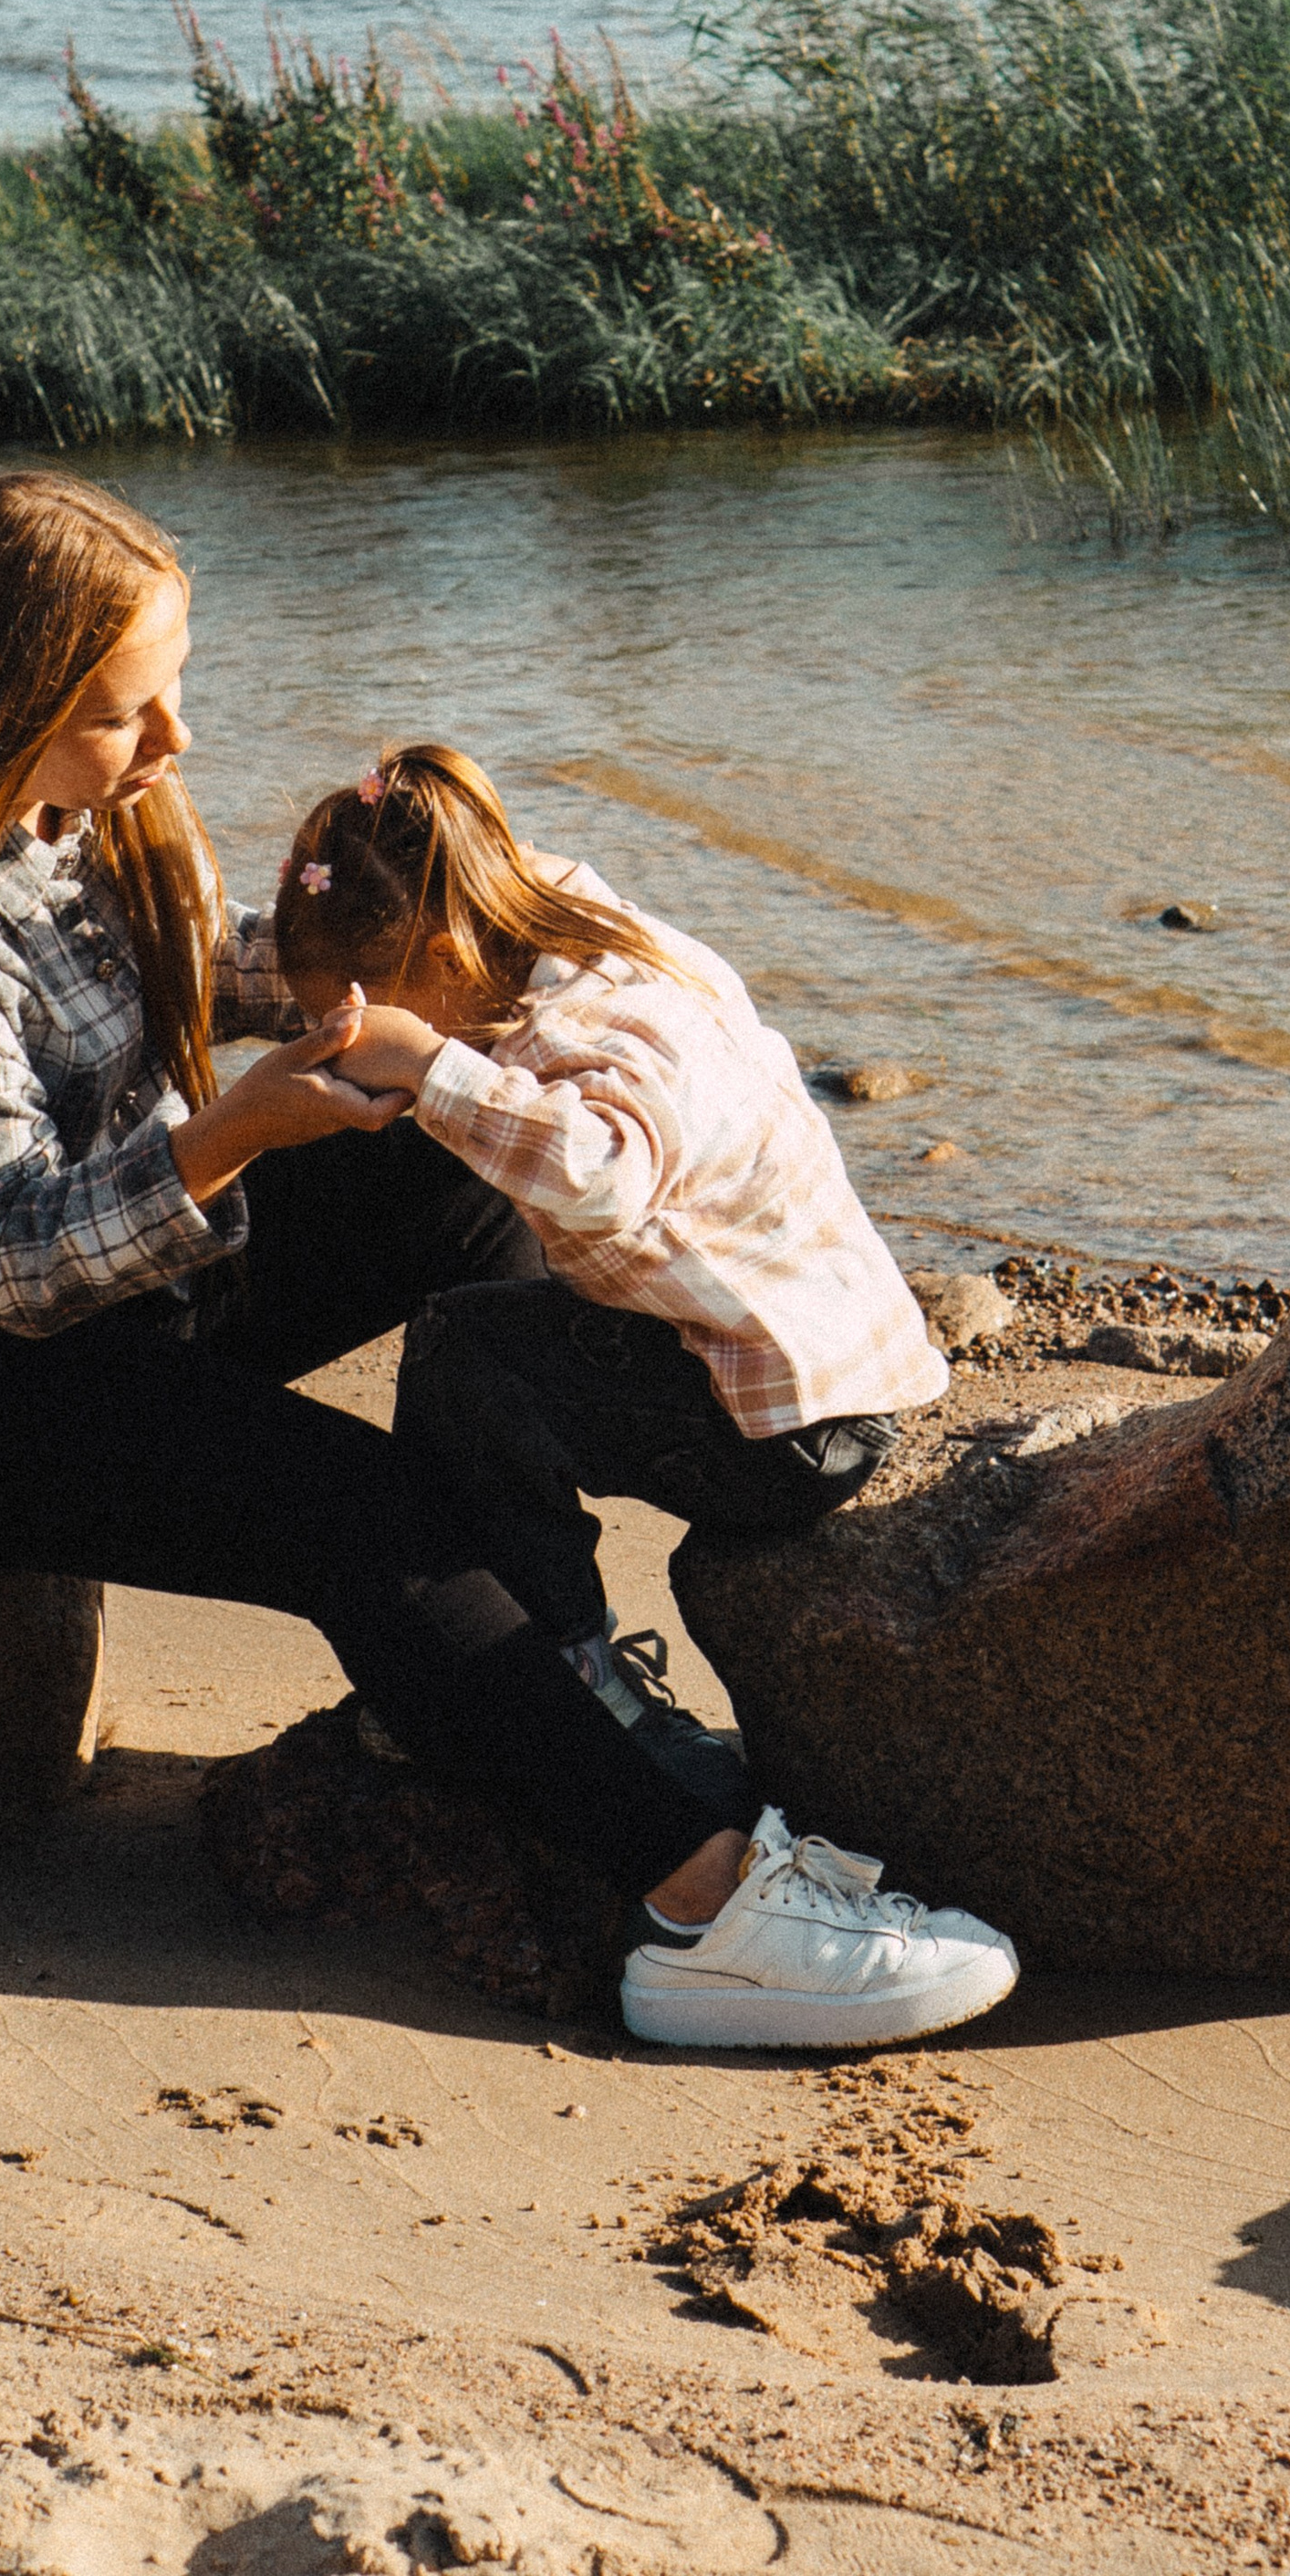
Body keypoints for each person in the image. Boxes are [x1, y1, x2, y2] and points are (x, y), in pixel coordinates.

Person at [0, 472, 1016, 2050]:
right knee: (358, 1516)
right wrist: (229, 1139)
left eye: (174, 690)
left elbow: (221, 973)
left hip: (118, 1282)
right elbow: (11, 1259)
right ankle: (698, 1903)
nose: (174, 746)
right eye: (126, 713)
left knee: (468, 1193)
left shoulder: (74, 809)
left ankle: (545, 1663)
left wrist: (462, 958)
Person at [267, 741, 948, 1804]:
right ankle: (508, 1642)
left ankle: (574, 1674)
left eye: (352, 1027)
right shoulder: (566, 921)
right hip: (823, 1361)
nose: (340, 1049)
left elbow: (605, 1177)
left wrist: (431, 1069)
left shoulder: (590, 1037)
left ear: (444, 956)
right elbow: (394, 913)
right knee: (489, 1319)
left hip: (779, 1428)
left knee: (467, 1355)